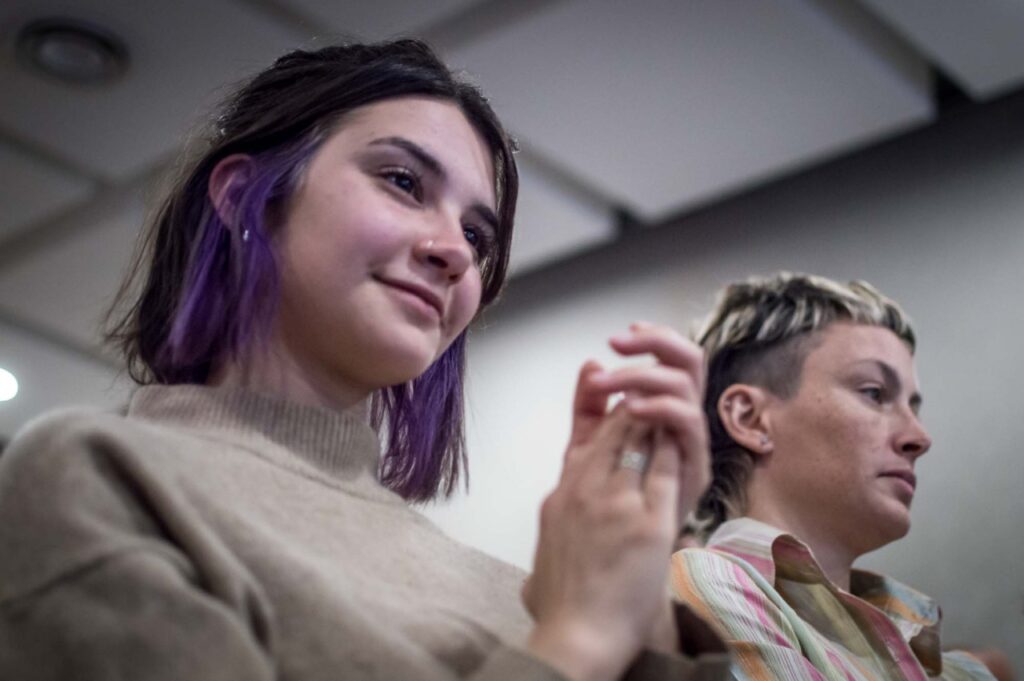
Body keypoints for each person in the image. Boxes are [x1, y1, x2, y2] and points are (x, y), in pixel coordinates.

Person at [0, 40, 728, 680]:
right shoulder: (95, 474)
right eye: (404, 182)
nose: (454, 251)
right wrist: (580, 639)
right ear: (245, 194)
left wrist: (636, 583)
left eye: (477, 235)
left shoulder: (522, 593)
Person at [670, 272, 998, 680]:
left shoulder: (954, 667)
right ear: (750, 418)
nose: (920, 437)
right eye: (874, 392)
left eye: (913, 407)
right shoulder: (704, 584)